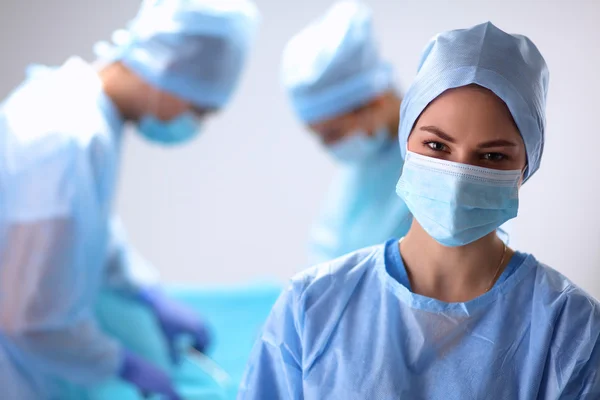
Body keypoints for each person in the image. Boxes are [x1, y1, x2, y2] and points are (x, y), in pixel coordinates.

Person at [238, 21, 600, 399]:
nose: (459, 176)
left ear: (525, 167)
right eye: (437, 147)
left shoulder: (570, 331)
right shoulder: (311, 306)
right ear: (406, 141)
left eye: (492, 156)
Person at [0, 0, 259, 399]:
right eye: (200, 110)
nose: (195, 124)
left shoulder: (86, 115)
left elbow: (88, 233)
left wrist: (145, 292)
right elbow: (32, 321)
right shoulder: (64, 137)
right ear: (172, 70)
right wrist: (120, 363)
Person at [281, 1, 412, 264]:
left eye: (332, 133)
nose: (328, 146)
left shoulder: (436, 162)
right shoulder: (363, 166)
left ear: (374, 102)